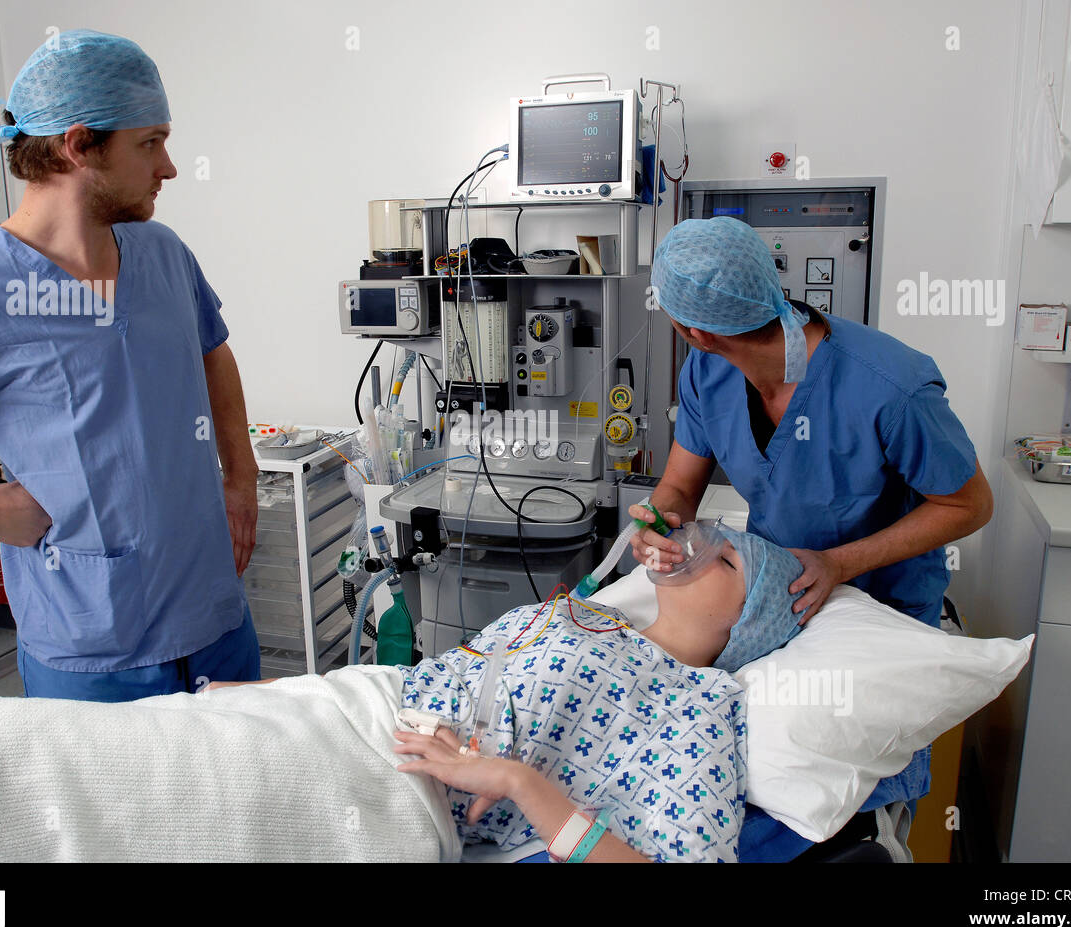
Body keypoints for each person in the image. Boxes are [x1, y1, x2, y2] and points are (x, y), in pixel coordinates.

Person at [0, 31, 259, 702]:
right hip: (95, 651)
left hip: (215, 618)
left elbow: (212, 348)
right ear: (79, 145)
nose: (170, 167)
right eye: (150, 142)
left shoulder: (162, 254)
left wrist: (240, 474)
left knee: (244, 803)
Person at [629, 215, 994, 835]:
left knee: (854, 787)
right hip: (782, 600)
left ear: (695, 331)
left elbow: (969, 506)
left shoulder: (890, 385)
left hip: (878, 604)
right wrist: (659, 521)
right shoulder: (708, 373)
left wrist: (840, 564)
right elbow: (681, 487)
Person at [212, 524, 808, 863]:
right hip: (352, 709)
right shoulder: (592, 615)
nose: (697, 545)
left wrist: (519, 783)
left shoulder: (698, 705)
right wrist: (278, 693)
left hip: (392, 779)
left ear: (745, 623)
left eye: (726, 560)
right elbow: (440, 678)